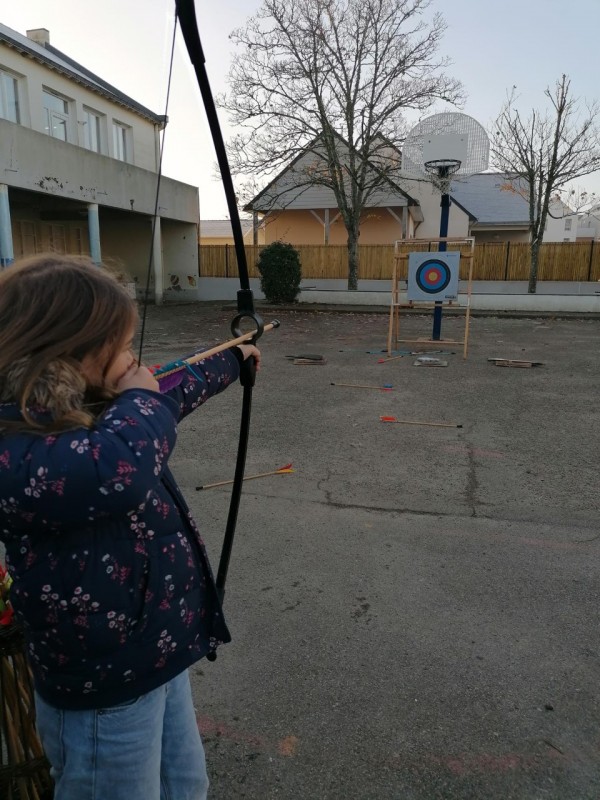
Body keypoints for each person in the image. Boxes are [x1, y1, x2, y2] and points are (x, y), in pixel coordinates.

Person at [0, 254, 261, 800]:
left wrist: (233, 359)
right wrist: (142, 397)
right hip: (101, 686)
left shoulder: (99, 405)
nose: (132, 359)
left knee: (184, 784)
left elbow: (171, 387)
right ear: (68, 352)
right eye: (119, 347)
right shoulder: (18, 441)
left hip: (155, 653)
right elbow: (118, 467)